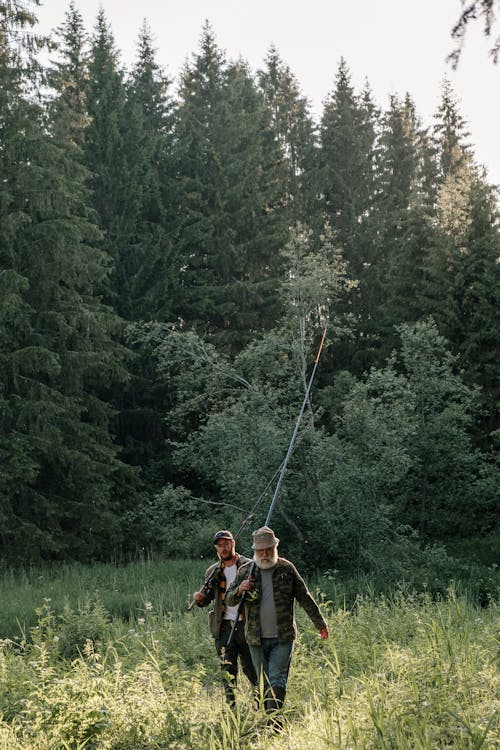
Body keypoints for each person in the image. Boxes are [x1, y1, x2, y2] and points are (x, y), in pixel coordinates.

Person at [225, 525, 328, 728]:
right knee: (262, 683)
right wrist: (239, 590)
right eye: (260, 551)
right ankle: (268, 719)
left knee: (277, 679)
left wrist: (320, 624)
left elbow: (304, 597)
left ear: (275, 548)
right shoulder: (246, 571)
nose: (265, 554)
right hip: (255, 638)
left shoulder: (287, 569)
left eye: (268, 550)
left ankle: (275, 724)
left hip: (283, 637)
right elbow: (229, 599)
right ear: (255, 551)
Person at [192, 529, 257, 707]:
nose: (223, 548)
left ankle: (260, 704)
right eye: (219, 545)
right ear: (216, 549)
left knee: (251, 668)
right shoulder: (213, 571)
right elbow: (207, 598)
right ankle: (231, 708)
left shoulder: (249, 566)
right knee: (227, 669)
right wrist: (199, 599)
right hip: (223, 627)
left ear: (233, 544)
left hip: (246, 625)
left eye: (226, 544)